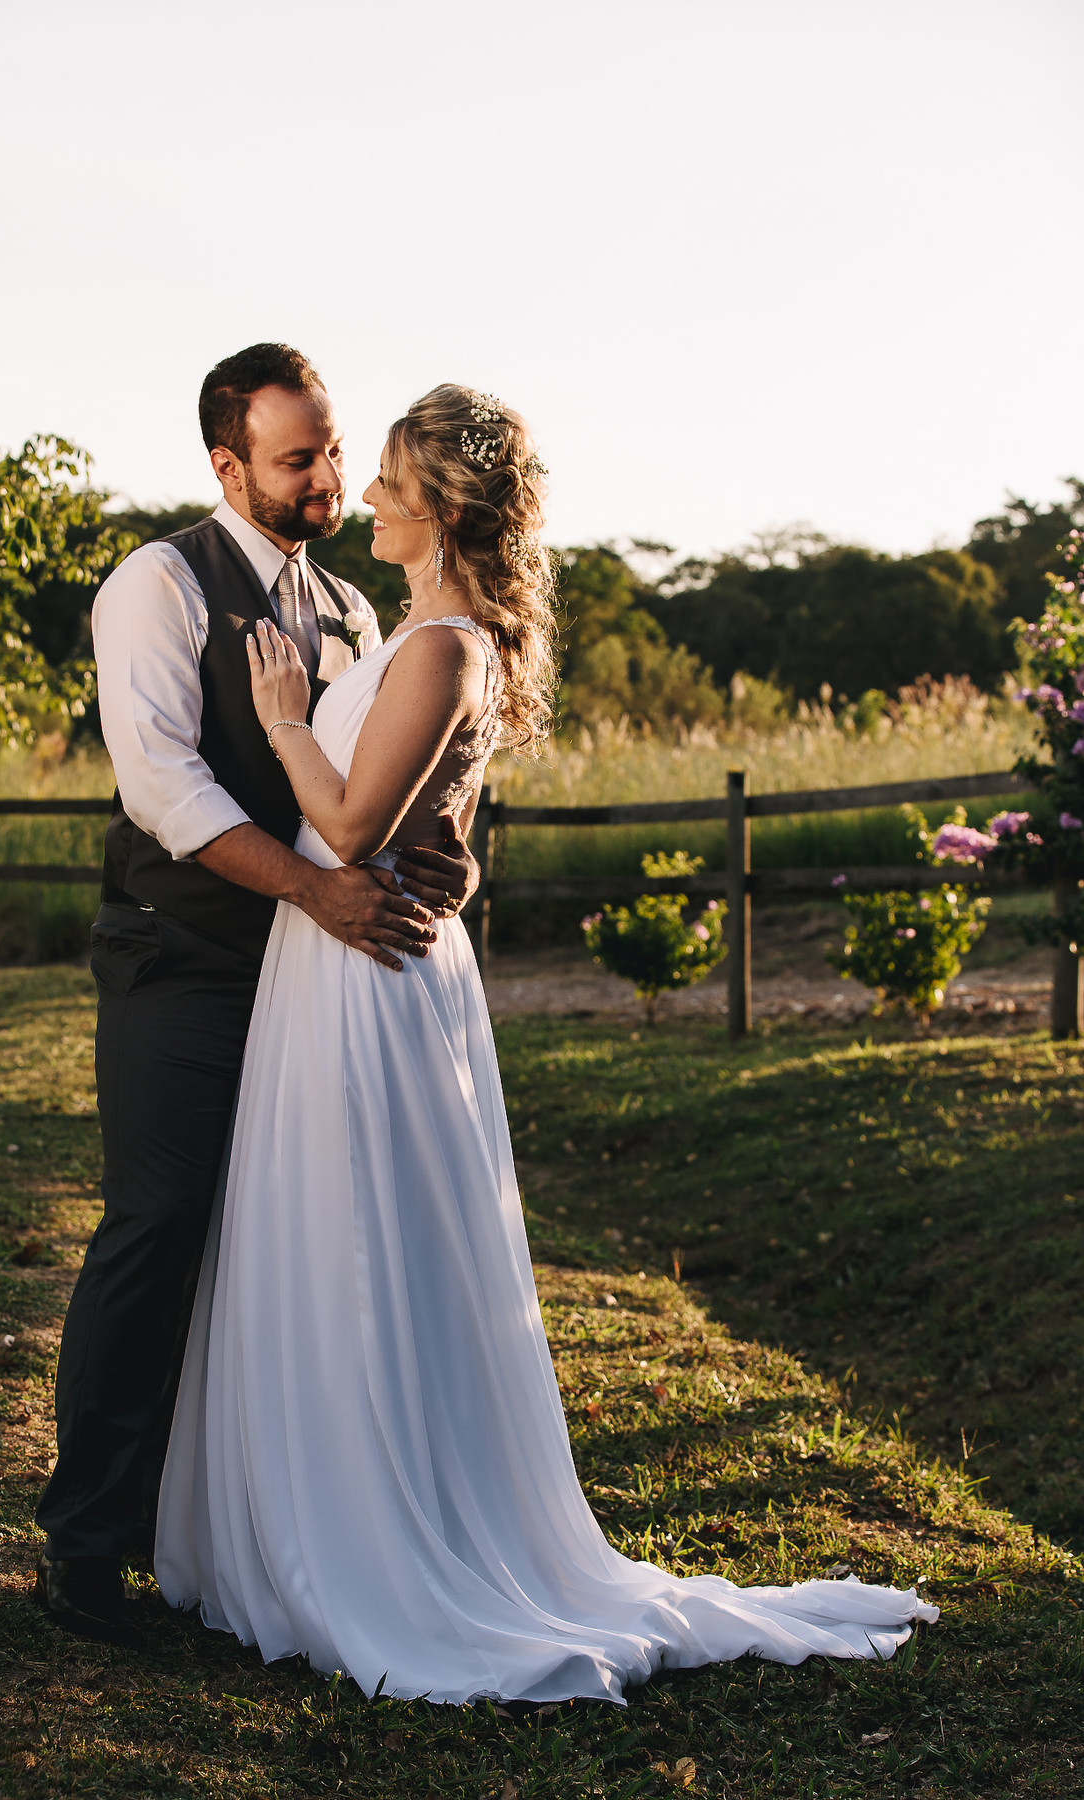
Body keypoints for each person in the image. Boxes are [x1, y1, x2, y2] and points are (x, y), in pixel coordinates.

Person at [154, 384, 937, 1704]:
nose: (372, 495)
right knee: (317, 1231)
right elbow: (432, 815)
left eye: (394, 476)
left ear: (444, 504)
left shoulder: (447, 644)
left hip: (370, 977)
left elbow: (349, 829)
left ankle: (390, 1538)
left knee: (371, 1242)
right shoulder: (413, 634)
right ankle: (304, 1520)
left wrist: (284, 715)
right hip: (335, 961)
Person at [34, 346, 477, 1646]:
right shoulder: (157, 586)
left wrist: (440, 860)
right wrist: (310, 890)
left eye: (335, 451)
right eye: (300, 460)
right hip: (184, 956)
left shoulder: (350, 605)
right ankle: (85, 1547)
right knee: (159, 1221)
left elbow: (394, 774)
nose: (330, 477)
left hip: (317, 974)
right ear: (225, 466)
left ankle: (243, 1539)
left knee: (284, 1243)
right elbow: (164, 790)